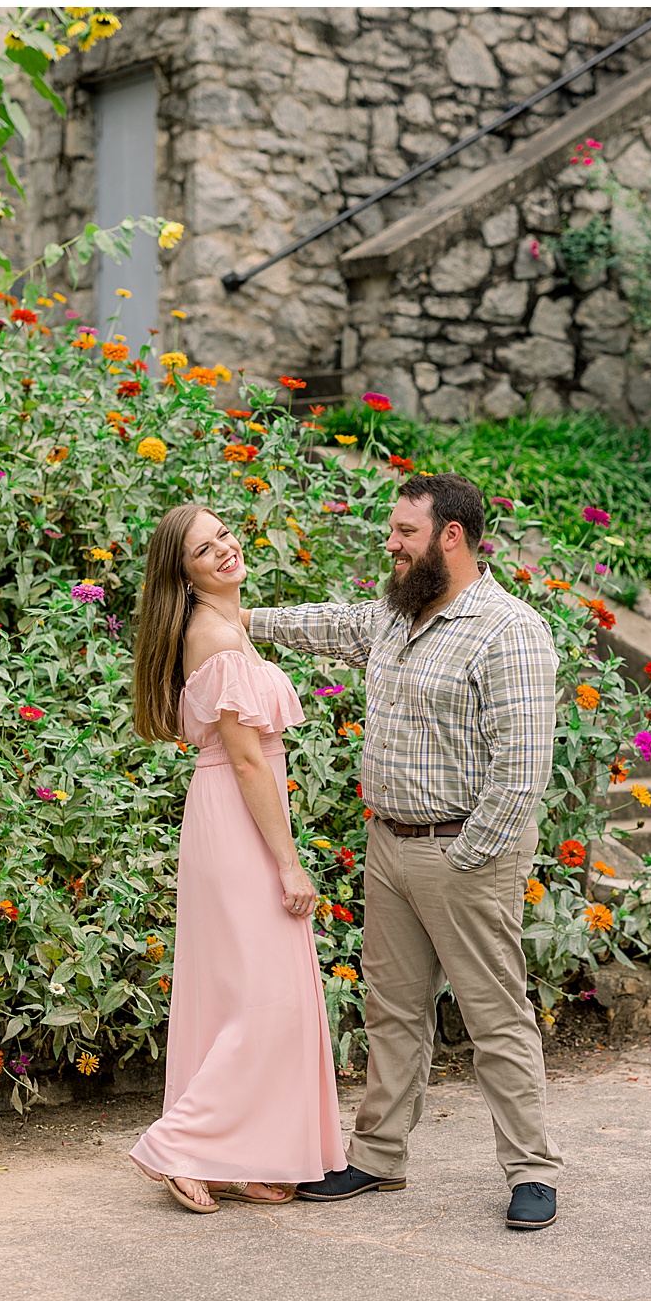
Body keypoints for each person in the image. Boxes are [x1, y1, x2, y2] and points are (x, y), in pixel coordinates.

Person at [241, 471, 561, 1231]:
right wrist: (241, 615)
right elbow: (332, 624)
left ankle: (532, 1171)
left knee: (496, 1019)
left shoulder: (509, 631)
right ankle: (379, 1156)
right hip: (389, 845)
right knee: (391, 1012)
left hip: (463, 854)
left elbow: (522, 771)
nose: (391, 544)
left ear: (451, 536)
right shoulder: (396, 617)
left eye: (404, 533)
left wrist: (465, 858)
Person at [125, 504, 346, 1213]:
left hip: (231, 811)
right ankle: (180, 1144)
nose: (223, 549)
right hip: (238, 814)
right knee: (266, 998)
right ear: (183, 575)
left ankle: (245, 1151)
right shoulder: (214, 636)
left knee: (237, 994)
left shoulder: (225, 627)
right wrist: (288, 862)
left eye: (223, 535)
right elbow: (250, 762)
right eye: (202, 550)